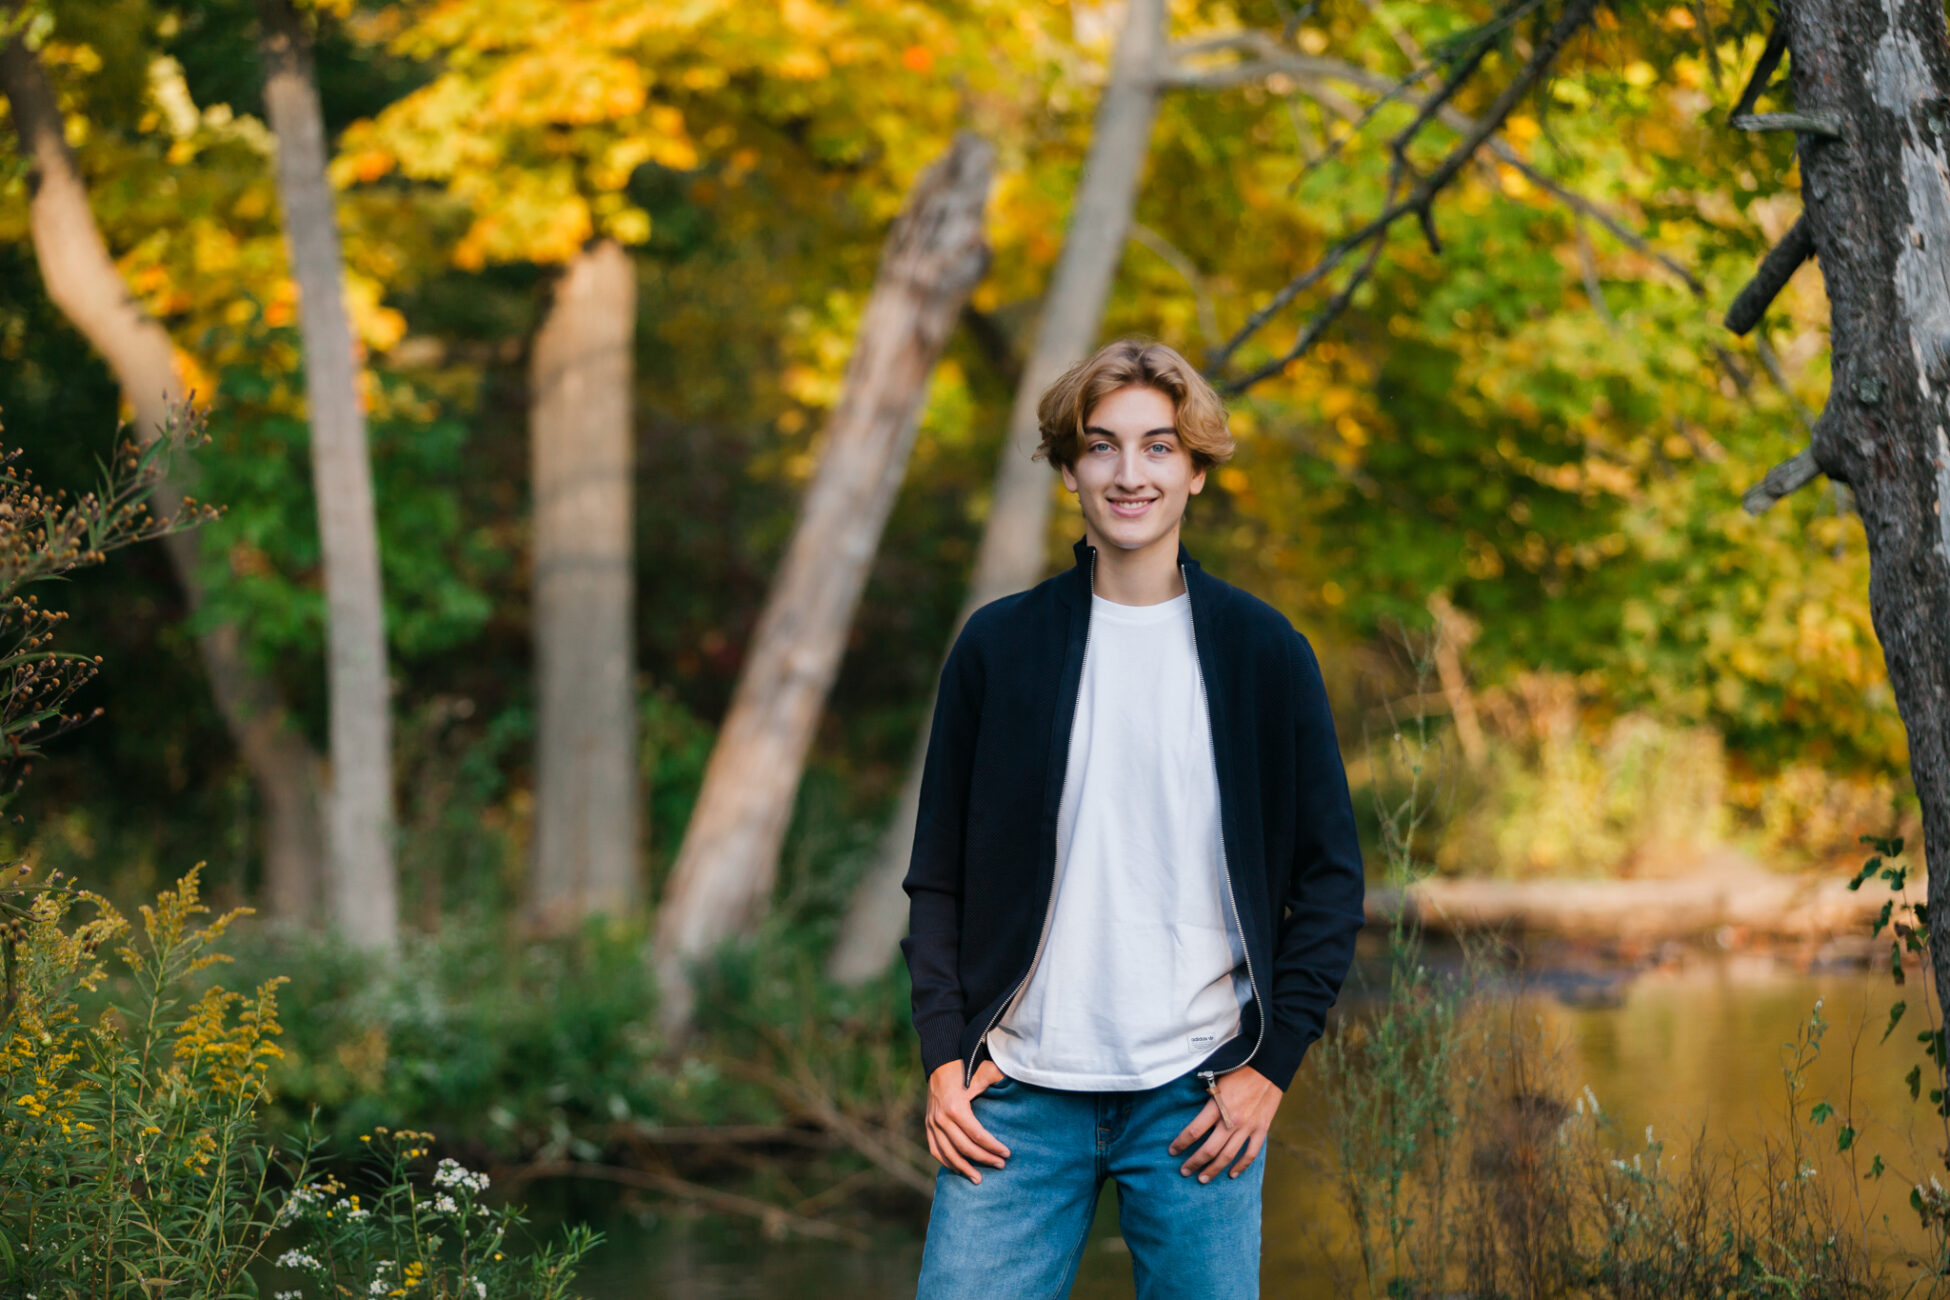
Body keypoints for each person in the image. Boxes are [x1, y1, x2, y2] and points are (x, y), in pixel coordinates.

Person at [901, 338, 1367, 1299]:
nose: (1129, 473)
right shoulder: (998, 649)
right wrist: (945, 1058)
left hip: (1198, 1097)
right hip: (1014, 1101)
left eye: (1159, 447)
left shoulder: (1264, 654)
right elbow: (938, 877)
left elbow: (1329, 881)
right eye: (1103, 446)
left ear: (1196, 470)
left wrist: (1270, 1070)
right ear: (1070, 467)